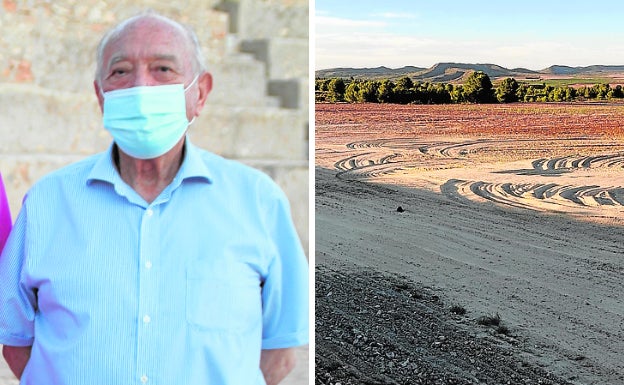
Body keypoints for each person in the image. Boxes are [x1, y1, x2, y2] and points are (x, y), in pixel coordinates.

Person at [0, 11, 308, 385]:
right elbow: (16, 342)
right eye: (120, 71)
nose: (141, 87)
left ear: (200, 92)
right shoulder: (48, 202)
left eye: (163, 69)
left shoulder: (259, 201)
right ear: (100, 94)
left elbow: (280, 351)